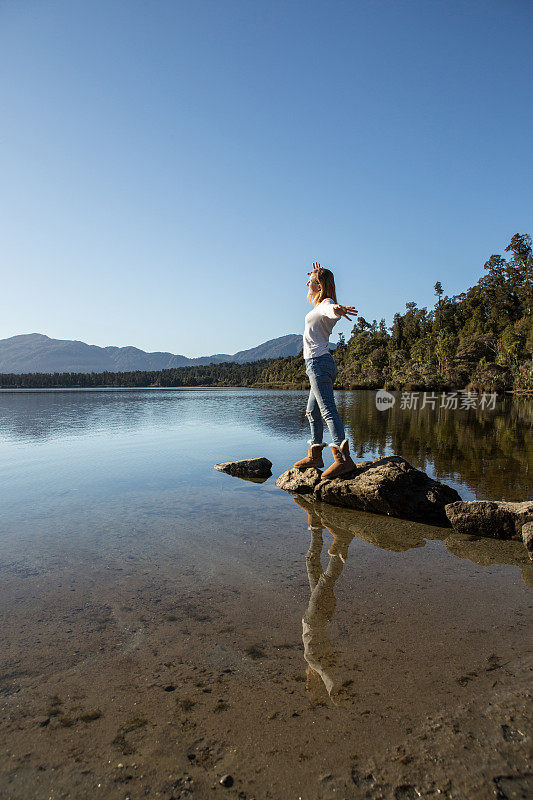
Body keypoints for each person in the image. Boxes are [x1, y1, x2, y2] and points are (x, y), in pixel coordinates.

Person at [294, 262, 358, 478]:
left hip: (318, 363)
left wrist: (337, 309)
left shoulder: (326, 304)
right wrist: (316, 273)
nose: (307, 284)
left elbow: (331, 309)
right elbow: (325, 308)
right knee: (312, 411)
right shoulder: (319, 305)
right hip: (320, 363)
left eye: (310, 282)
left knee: (328, 411)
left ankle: (344, 459)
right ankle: (315, 455)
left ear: (320, 287)